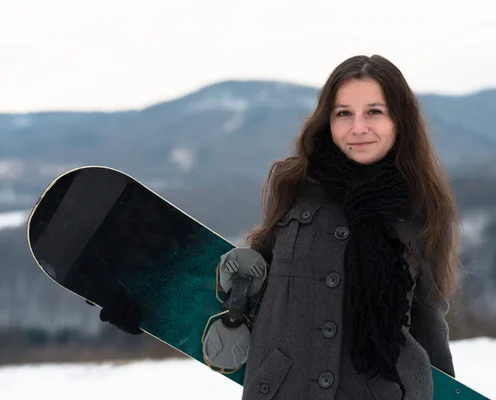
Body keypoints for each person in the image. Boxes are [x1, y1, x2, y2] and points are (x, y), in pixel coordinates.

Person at [99, 54, 462, 400]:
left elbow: (428, 324)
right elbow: (247, 285)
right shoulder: (295, 186)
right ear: (328, 120)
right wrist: (148, 301)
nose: (358, 127)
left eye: (375, 112)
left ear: (400, 120)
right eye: (343, 113)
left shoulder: (421, 210)